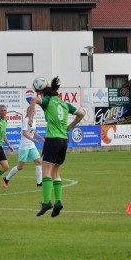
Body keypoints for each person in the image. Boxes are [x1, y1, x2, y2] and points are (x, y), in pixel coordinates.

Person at [29, 76, 84, 217]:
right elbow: (81, 114)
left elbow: (34, 99)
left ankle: (47, 201)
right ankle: (58, 201)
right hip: (63, 141)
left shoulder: (47, 101)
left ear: (43, 93)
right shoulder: (64, 103)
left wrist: (30, 118)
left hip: (52, 139)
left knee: (46, 169)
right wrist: (69, 127)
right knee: (56, 172)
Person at [3, 106, 45, 188]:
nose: (33, 112)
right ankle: (6, 179)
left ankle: (39, 183)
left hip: (31, 145)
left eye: (34, 111)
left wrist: (41, 138)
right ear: (28, 112)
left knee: (39, 162)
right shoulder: (26, 120)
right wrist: (33, 140)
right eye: (31, 111)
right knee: (20, 166)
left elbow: (33, 131)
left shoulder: (34, 121)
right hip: (25, 145)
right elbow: (24, 133)